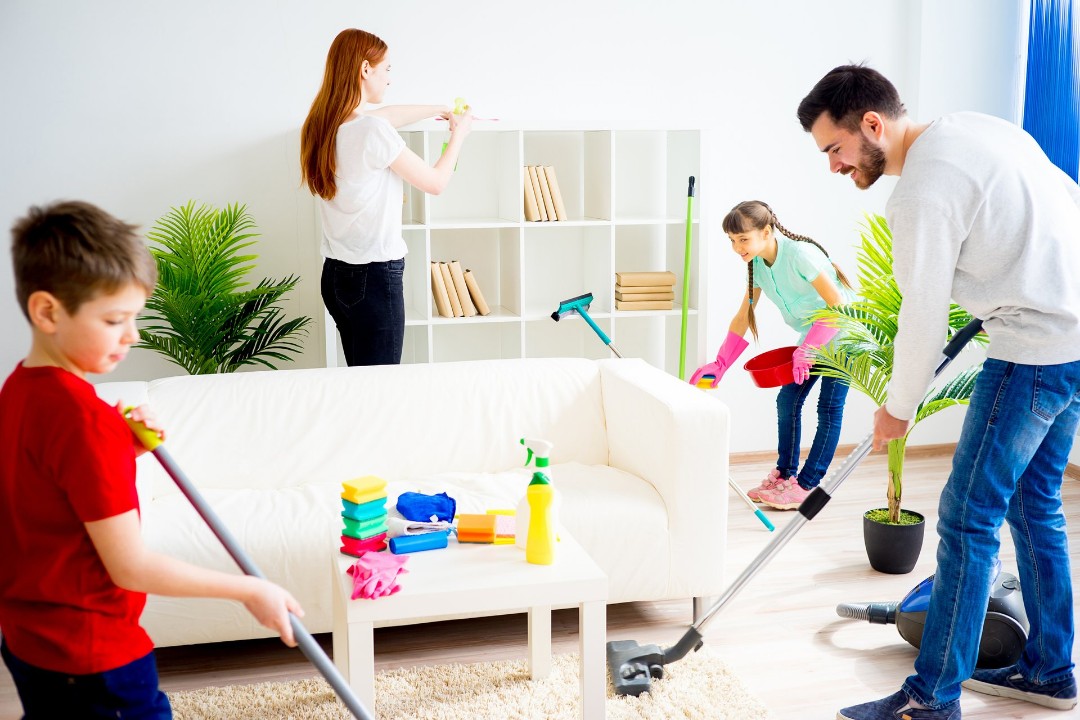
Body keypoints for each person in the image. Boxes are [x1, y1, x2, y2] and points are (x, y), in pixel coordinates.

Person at [798, 64, 1080, 719]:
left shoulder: (920, 192)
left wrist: (897, 409)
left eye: (835, 149)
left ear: (873, 124)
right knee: (1036, 504)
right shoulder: (976, 129)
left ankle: (928, 700)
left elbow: (922, 316)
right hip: (1074, 340)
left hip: (1032, 351)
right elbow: (1065, 198)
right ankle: (1051, 669)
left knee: (966, 517)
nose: (835, 167)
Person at [0, 201, 304, 719]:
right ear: (48, 311)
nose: (132, 335)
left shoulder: (19, 390)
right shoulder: (83, 420)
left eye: (135, 317)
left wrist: (122, 446)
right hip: (97, 659)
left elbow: (50, 491)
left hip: (30, 640)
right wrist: (249, 588)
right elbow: (131, 567)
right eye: (115, 319)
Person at [300, 28, 473, 366]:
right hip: (375, 279)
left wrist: (438, 108)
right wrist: (460, 135)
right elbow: (436, 183)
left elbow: (386, 116)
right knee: (381, 388)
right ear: (366, 69)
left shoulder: (323, 124)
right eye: (387, 69)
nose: (389, 78)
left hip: (336, 276)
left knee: (360, 381)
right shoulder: (372, 131)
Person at [690, 200, 855, 510]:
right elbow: (744, 315)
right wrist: (721, 363)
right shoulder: (756, 265)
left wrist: (809, 349)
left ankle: (806, 486)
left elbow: (838, 306)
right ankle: (784, 475)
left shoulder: (799, 255)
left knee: (829, 408)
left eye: (743, 239)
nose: (737, 248)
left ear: (766, 232)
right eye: (732, 240)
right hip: (813, 335)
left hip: (845, 333)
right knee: (788, 400)